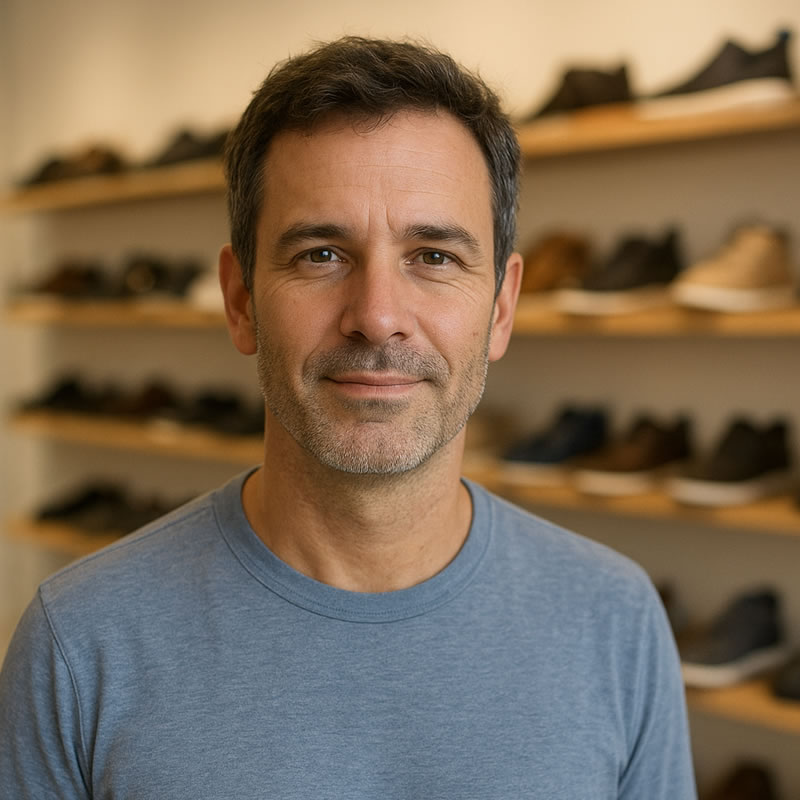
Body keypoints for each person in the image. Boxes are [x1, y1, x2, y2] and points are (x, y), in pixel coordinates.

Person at [0, 37, 696, 797]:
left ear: (501, 308)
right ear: (240, 301)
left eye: (434, 256)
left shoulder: (616, 621)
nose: (377, 316)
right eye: (321, 255)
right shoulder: (80, 644)